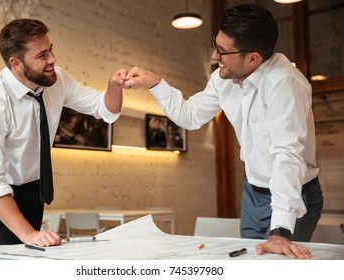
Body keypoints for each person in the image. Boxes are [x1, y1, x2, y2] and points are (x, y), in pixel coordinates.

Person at [125, 4, 323, 259]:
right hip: (253, 193)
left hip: (296, 193)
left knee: (278, 267)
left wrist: (281, 230)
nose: (214, 56)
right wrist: (154, 83)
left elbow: (287, 156)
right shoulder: (223, 78)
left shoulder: (285, 83)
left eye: (223, 52)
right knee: (247, 264)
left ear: (253, 58)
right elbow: (190, 115)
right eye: (215, 46)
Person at [0, 18, 128, 247]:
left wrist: (114, 87)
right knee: (8, 263)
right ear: (16, 63)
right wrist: (30, 234)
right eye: (42, 55)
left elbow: (104, 109)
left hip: (34, 188)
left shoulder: (57, 80)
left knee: (35, 256)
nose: (52, 59)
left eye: (50, 50)